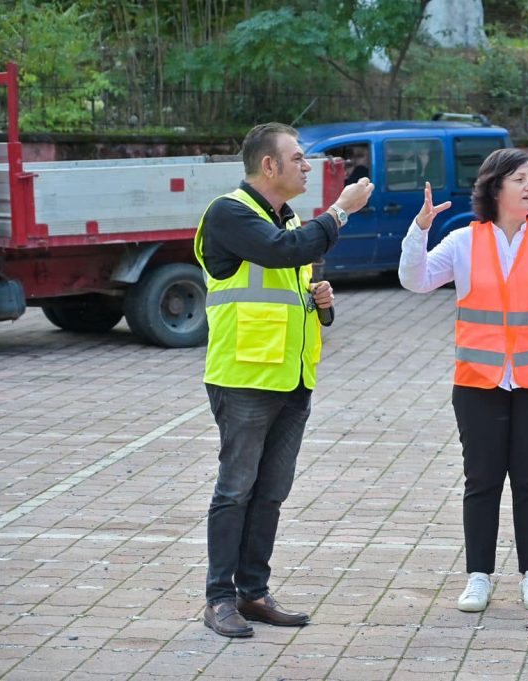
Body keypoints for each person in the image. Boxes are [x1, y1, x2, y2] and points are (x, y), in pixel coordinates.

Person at [399, 148, 528, 613]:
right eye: (520, 179)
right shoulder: (464, 241)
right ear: (495, 187)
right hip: (478, 382)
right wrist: (420, 228)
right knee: (482, 480)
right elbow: (416, 279)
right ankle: (478, 576)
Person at [195, 122, 374, 638]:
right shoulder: (229, 213)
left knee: (271, 491)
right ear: (268, 166)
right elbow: (279, 252)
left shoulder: (287, 217)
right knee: (235, 489)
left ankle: (252, 592)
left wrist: (321, 303)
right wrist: (341, 210)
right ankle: (219, 599)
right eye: (297, 157)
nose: (306, 165)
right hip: (244, 377)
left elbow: (293, 281)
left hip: (292, 378)